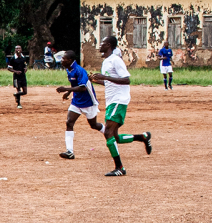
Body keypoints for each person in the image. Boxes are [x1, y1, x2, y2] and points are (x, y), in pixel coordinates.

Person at [90, 36, 151, 177]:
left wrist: (105, 77)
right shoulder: (106, 62)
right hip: (112, 101)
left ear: (109, 45)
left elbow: (126, 80)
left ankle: (120, 168)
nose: (100, 45)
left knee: (108, 133)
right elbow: (110, 82)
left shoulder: (116, 60)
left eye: (103, 43)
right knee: (115, 138)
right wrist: (96, 80)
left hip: (119, 100)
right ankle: (143, 137)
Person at [56, 50, 104, 158]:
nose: (62, 60)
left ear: (70, 60)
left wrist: (65, 89)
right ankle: (70, 152)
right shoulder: (69, 69)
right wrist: (68, 92)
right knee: (69, 122)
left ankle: (109, 134)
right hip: (76, 101)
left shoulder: (79, 70)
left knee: (94, 125)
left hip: (88, 102)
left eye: (64, 58)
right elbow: (75, 83)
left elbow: (82, 87)